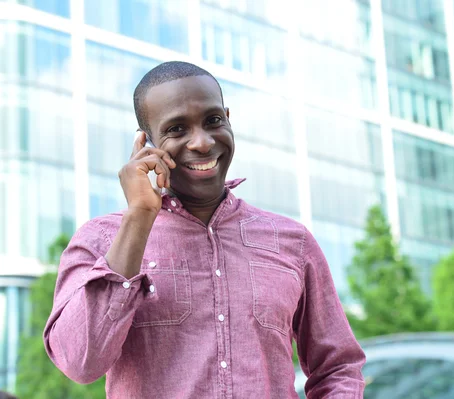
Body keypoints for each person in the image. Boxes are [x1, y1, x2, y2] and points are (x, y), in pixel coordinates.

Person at [43, 61, 365, 398]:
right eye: (177, 129)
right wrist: (139, 217)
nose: (201, 142)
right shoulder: (101, 241)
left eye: (213, 121)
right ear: (146, 143)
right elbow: (79, 363)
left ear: (228, 118)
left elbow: (338, 366)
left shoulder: (292, 243)